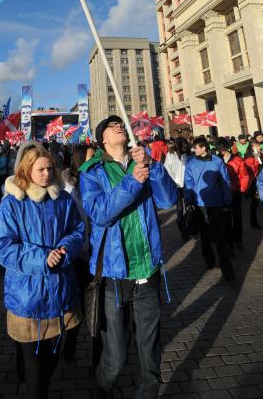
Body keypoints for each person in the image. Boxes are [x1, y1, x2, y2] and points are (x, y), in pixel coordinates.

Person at [80, 115, 177, 399]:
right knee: (116, 359)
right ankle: (102, 386)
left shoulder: (143, 163)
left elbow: (168, 201)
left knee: (150, 358)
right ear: (103, 140)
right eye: (112, 126)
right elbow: (99, 213)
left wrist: (152, 166)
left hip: (147, 271)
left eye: (121, 123)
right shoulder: (92, 172)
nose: (119, 126)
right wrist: (132, 183)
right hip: (114, 277)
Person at [0, 144, 84, 399]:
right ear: (26, 170)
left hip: (60, 294)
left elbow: (77, 230)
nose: (46, 173)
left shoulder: (62, 198)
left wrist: (66, 248)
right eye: (40, 169)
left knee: (51, 360)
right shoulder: (11, 204)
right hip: (27, 299)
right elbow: (2, 248)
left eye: (50, 168)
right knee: (35, 374)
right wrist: (42, 258)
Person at [61, 144, 96, 364]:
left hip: (97, 253)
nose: (96, 159)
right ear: (80, 159)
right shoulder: (65, 187)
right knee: (76, 304)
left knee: (96, 306)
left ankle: (98, 352)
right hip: (75, 256)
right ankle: (70, 344)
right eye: (92, 156)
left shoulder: (99, 179)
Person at [184, 136, 235, 280]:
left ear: (204, 148)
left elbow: (225, 181)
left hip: (217, 203)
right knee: (205, 236)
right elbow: (188, 183)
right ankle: (209, 260)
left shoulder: (217, 161)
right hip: (200, 205)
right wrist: (189, 201)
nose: (194, 150)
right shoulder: (191, 163)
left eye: (196, 147)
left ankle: (227, 270)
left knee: (221, 237)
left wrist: (227, 201)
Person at [215, 137, 249, 252]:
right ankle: (229, 242)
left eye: (223, 149)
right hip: (222, 193)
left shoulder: (237, 160)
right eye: (220, 149)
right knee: (226, 219)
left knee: (237, 217)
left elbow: (244, 175)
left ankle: (238, 240)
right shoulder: (216, 160)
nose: (222, 151)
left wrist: (241, 189)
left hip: (235, 192)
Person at [164, 137, 189, 240]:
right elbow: (167, 169)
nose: (184, 146)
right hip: (176, 186)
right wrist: (174, 180)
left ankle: (191, 228)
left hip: (187, 185)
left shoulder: (186, 155)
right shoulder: (170, 155)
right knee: (179, 210)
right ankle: (183, 231)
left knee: (190, 207)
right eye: (182, 144)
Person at [243, 139, 263, 230]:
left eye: (259, 145)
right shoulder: (248, 156)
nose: (259, 147)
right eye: (257, 145)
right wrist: (257, 156)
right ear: (252, 147)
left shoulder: (260, 154)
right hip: (253, 182)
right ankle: (253, 221)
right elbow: (253, 168)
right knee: (255, 202)